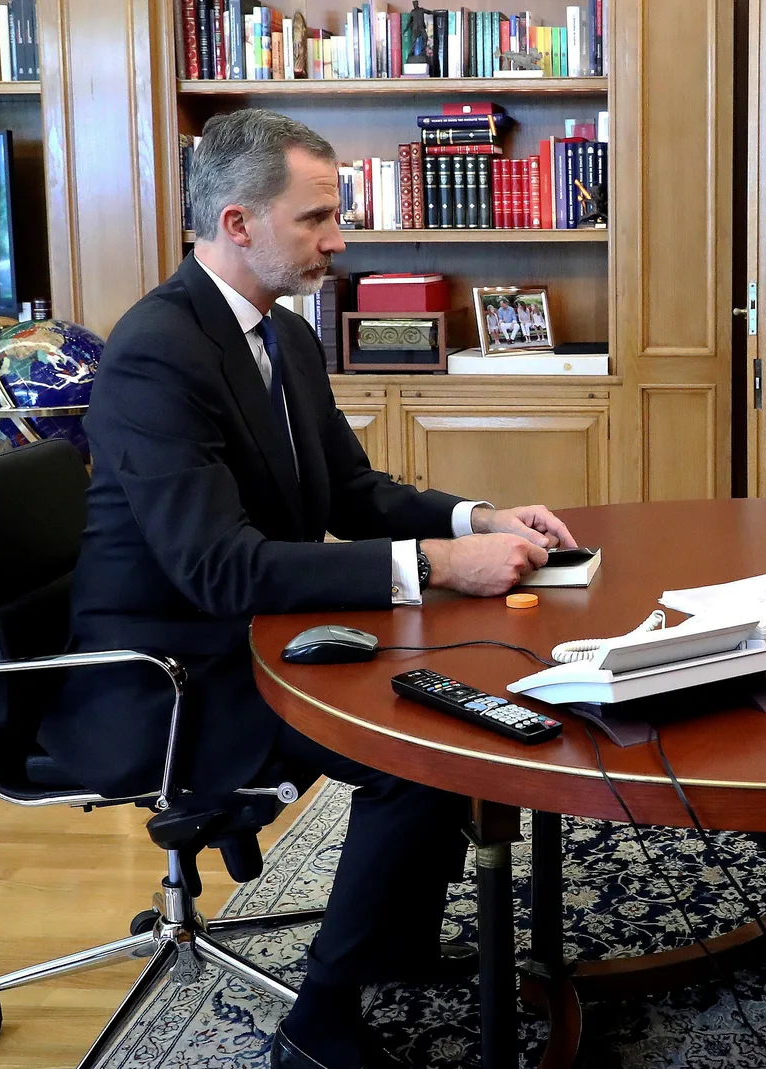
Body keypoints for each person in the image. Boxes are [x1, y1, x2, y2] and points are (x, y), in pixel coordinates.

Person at [42, 109, 577, 1069]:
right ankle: (319, 1024)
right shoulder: (159, 349)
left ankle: (398, 949)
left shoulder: (282, 336)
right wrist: (433, 570)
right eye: (317, 218)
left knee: (453, 694)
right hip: (167, 672)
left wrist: (475, 520)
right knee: (421, 754)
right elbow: (220, 566)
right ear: (238, 223)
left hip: (256, 632)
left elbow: (352, 492)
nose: (339, 239)